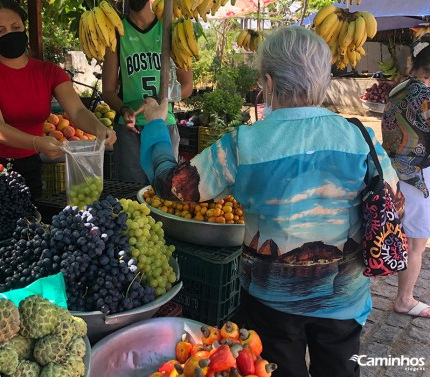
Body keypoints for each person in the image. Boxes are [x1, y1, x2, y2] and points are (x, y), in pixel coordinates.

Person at [136, 26, 400, 377]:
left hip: (270, 303)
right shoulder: (360, 136)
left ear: (269, 83)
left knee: (276, 369)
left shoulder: (244, 143)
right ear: (324, 79)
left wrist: (156, 125)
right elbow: (393, 201)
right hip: (345, 300)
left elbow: (174, 188)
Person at [0, 0, 116, 201]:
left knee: (29, 225)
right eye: (0, 31)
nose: (10, 34)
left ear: (24, 27)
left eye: (16, 27)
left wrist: (98, 128)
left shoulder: (49, 72)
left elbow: (77, 111)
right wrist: (36, 142)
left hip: (28, 163)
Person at [101, 0, 193, 184]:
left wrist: (161, 102)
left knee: (165, 191)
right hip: (130, 131)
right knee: (130, 197)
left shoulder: (170, 31)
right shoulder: (116, 34)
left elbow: (187, 85)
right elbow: (108, 91)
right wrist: (124, 110)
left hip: (164, 124)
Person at [381, 33, 430, 318]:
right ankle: (405, 299)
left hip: (392, 171)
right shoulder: (426, 98)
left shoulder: (397, 89)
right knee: (416, 243)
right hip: (418, 176)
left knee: (398, 231)